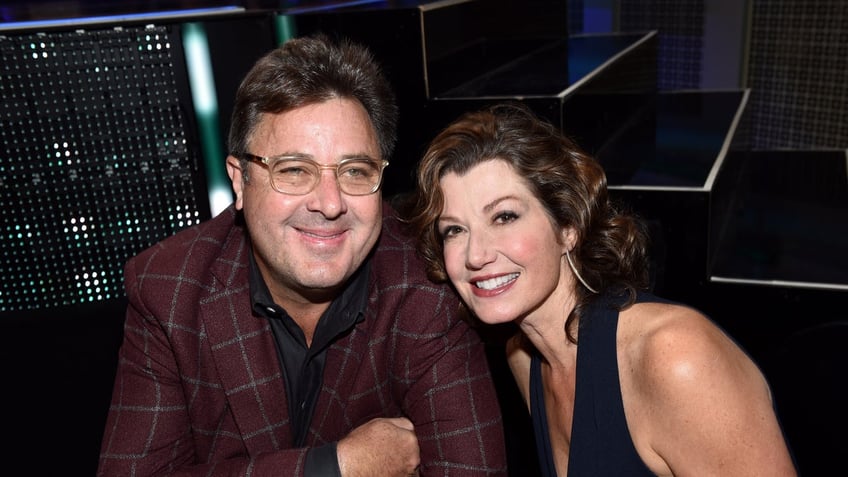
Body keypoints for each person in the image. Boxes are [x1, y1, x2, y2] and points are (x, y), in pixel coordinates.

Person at [97, 34, 507, 477]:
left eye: (354, 171)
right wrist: (335, 466)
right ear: (240, 181)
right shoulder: (169, 288)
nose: (330, 204)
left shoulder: (428, 284)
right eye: (294, 170)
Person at [404, 103, 797, 476]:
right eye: (454, 230)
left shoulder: (676, 357)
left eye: (504, 216)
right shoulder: (524, 359)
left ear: (568, 227)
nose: (476, 254)